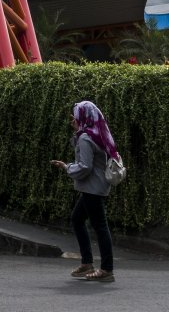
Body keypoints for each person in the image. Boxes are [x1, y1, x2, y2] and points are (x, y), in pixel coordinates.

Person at [50, 100, 118, 282]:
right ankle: (87, 263)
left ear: (83, 117)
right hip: (96, 186)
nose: (72, 120)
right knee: (78, 219)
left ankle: (106, 269)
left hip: (92, 188)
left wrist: (67, 167)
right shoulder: (96, 134)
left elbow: (85, 167)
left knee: (100, 227)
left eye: (75, 117)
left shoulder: (86, 138)